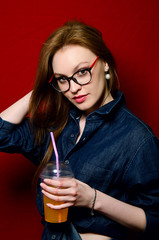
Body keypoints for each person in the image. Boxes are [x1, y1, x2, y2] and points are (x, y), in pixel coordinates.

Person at [0, 20, 159, 240]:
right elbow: (2, 133)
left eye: (82, 72)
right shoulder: (57, 126)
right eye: (62, 79)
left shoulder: (137, 139)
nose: (73, 88)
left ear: (104, 63)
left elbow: (155, 221)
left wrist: (92, 198)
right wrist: (42, 90)